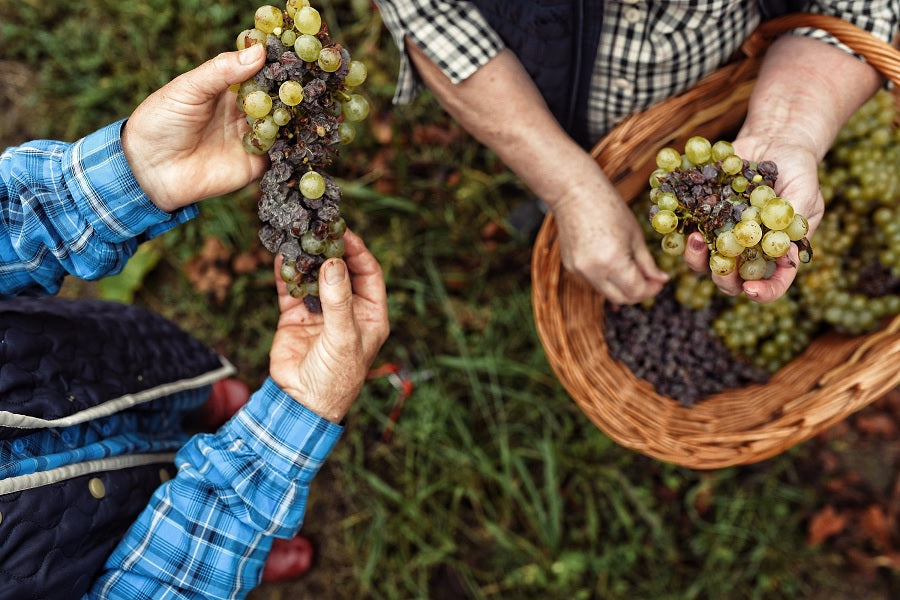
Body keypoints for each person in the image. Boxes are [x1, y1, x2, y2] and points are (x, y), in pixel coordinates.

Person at [0, 42, 390, 599]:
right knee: (208, 545)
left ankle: (207, 409)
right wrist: (273, 452)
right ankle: (238, 534)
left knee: (181, 389)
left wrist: (125, 175)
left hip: (92, 368)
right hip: (109, 549)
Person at [372, 0, 899, 305]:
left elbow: (858, 5)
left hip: (714, 92)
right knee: (540, 178)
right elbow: (430, 15)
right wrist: (567, 184)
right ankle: (541, 208)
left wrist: (787, 126)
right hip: (531, 85)